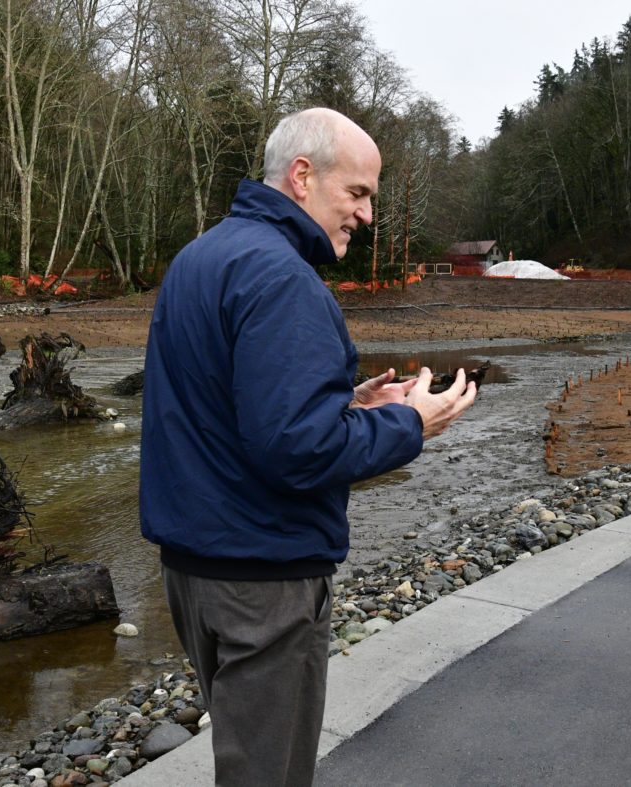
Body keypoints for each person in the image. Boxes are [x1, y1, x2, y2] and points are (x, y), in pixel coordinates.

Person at [139, 107, 477, 786]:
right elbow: (297, 450)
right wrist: (413, 424)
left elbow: (226, 410)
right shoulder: (284, 279)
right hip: (261, 579)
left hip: (193, 572)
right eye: (357, 193)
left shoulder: (202, 258)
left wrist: (348, 404)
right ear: (302, 177)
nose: (367, 215)